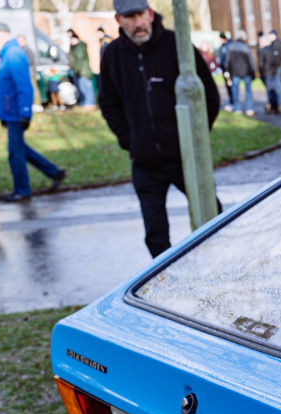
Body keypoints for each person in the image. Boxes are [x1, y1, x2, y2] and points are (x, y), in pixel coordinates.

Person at [98, 0, 220, 257]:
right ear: (118, 20)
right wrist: (130, 140)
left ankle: (222, 264)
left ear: (151, 14)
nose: (138, 23)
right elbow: (109, 103)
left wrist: (196, 137)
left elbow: (208, 94)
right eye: (129, 17)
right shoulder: (112, 55)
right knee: (155, 233)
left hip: (186, 157)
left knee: (213, 217)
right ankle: (165, 278)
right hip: (145, 162)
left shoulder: (177, 45)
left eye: (141, 15)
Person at [0, 23, 66, 202]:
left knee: (15, 153)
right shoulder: (6, 54)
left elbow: (23, 85)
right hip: (10, 111)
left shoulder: (12, 54)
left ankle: (22, 190)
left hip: (15, 112)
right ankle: (54, 172)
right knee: (19, 148)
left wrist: (25, 112)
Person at [226, 30, 256, 116]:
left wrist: (227, 70)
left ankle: (237, 108)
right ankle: (249, 109)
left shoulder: (231, 47)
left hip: (235, 72)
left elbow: (227, 61)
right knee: (248, 91)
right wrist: (253, 71)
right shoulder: (246, 47)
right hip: (246, 72)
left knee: (235, 90)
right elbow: (251, 61)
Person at [259, 29, 281, 113]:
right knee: (277, 88)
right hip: (274, 70)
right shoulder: (273, 48)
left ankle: (275, 106)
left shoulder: (266, 49)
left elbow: (261, 63)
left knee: (271, 89)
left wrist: (262, 72)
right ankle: (279, 105)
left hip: (269, 72)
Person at [68, 30, 96, 108]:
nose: (70, 41)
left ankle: (90, 103)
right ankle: (85, 103)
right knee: (82, 89)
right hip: (79, 72)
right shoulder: (74, 47)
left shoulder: (80, 47)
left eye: (71, 39)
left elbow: (78, 59)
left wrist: (76, 70)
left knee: (86, 88)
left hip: (83, 72)